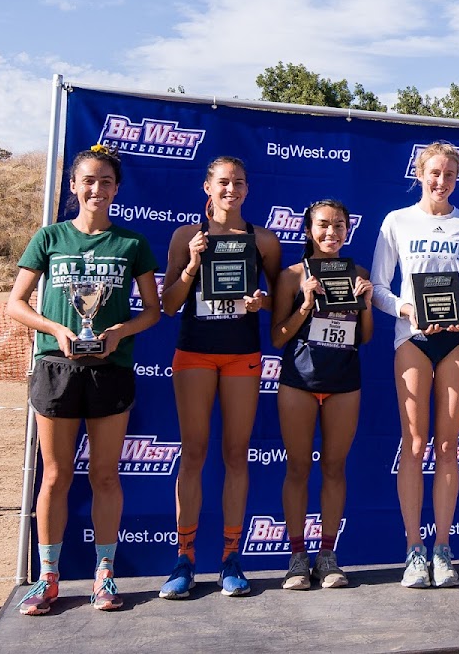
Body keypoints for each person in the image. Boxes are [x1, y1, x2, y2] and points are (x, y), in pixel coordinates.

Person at [6, 145, 160, 614]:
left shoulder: (131, 244)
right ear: (73, 186)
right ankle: (48, 577)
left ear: (117, 188)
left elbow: (153, 311)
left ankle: (104, 575)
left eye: (106, 181)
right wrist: (56, 328)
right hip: (56, 368)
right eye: (88, 180)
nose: (97, 189)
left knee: (105, 475)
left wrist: (117, 332)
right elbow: (16, 304)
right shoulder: (49, 237)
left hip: (109, 370)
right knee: (55, 475)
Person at [371, 140, 459, 588]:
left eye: (448, 174)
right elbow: (379, 288)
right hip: (413, 339)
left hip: (458, 341)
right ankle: (413, 549)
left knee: (447, 446)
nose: (440, 181)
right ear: (419, 173)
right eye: (433, 173)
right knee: (415, 443)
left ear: (457, 177)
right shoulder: (397, 221)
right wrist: (408, 311)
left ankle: (442, 547)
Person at [159, 156, 282, 599]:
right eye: (224, 182)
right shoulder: (183, 236)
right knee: (192, 453)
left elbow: (278, 302)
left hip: (242, 357)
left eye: (239, 182)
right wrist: (192, 265)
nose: (232, 189)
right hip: (194, 352)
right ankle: (185, 558)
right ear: (207, 187)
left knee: (235, 454)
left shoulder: (263, 240)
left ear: (247, 189)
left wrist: (260, 303)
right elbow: (169, 304)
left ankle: (232, 556)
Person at [270, 200, 373, 590]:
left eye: (339, 226)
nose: (332, 233)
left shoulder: (358, 273)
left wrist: (365, 305)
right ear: (309, 230)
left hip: (345, 382)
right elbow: (277, 337)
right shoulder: (291, 276)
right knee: (297, 468)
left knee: (334, 468)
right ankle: (298, 557)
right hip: (299, 382)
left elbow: (364, 337)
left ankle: (327, 556)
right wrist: (305, 306)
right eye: (324, 226)